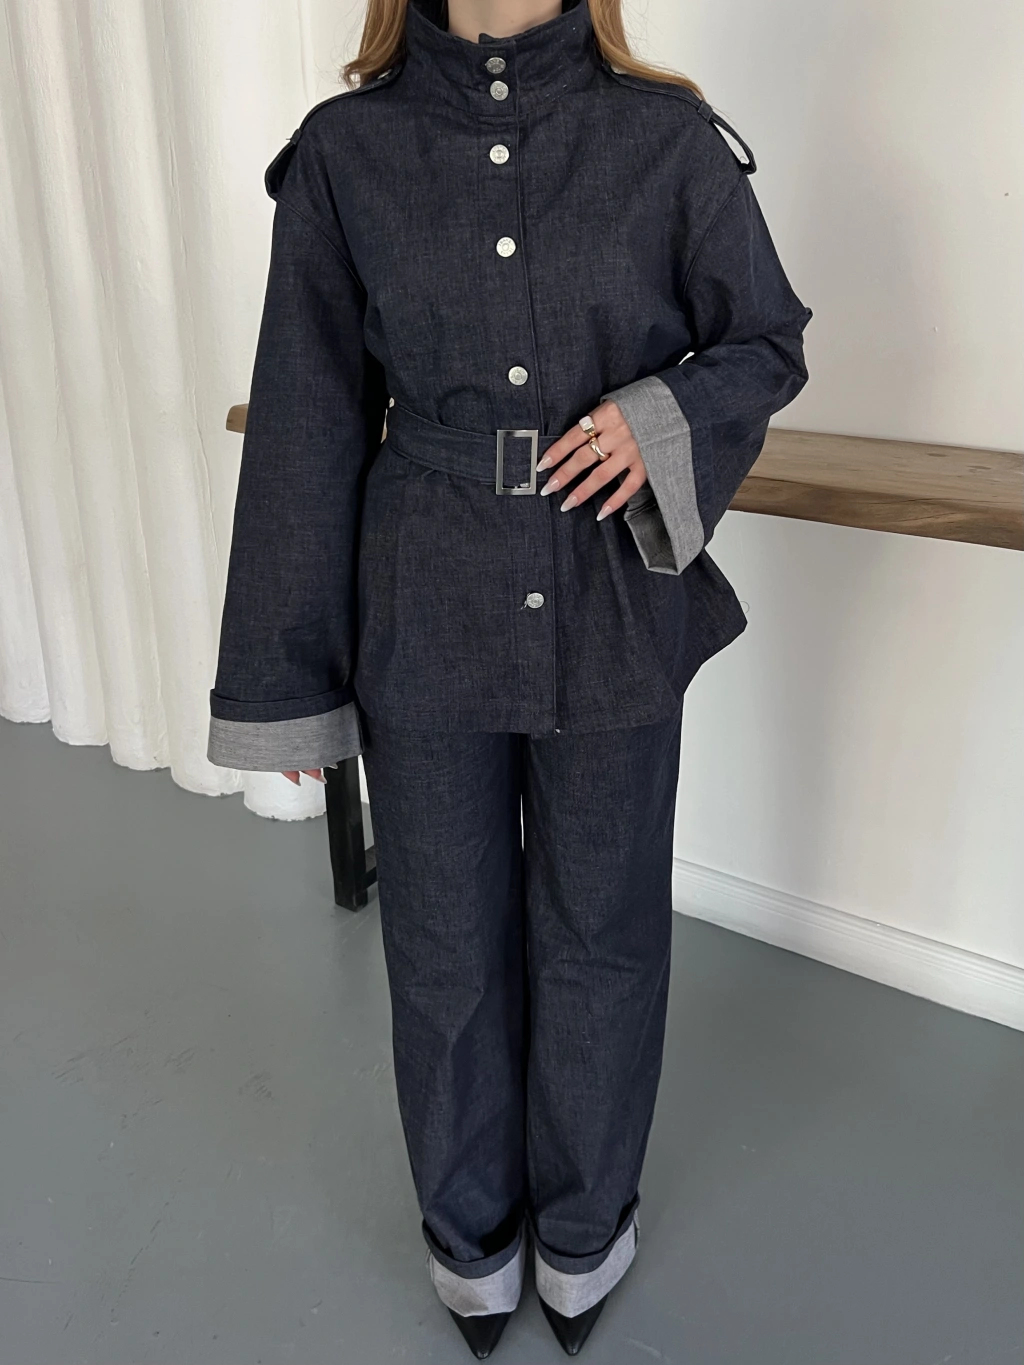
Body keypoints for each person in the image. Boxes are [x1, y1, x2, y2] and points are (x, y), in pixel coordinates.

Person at [207, 0, 812, 1355]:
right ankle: (470, 1235)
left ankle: (586, 1226)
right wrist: (284, 672)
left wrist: (658, 418)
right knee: (443, 945)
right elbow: (306, 414)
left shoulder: (666, 140)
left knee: (604, 930)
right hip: (421, 602)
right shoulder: (345, 153)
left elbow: (765, 340)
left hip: (613, 600)